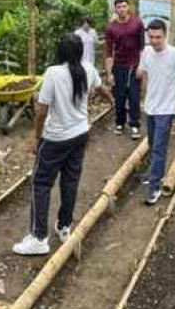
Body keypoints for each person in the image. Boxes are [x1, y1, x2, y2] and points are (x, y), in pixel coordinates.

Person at [13, 34, 110, 256]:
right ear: (80, 51)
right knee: (70, 180)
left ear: (61, 52)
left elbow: (42, 110)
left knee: (41, 183)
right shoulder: (88, 69)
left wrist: (36, 138)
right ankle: (64, 226)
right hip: (80, 134)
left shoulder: (53, 73)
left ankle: (39, 237)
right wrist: (111, 100)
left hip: (56, 139)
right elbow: (101, 88)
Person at [137, 18, 175, 206]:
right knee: (152, 143)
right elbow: (143, 73)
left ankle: (154, 187)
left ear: (165, 35)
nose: (154, 41)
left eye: (158, 37)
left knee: (159, 148)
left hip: (167, 109)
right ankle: (153, 173)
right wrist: (143, 94)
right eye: (151, 37)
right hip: (150, 107)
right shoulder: (146, 52)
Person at [104, 0, 145, 139]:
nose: (121, 9)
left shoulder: (137, 23)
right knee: (119, 97)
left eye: (124, 6)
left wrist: (141, 67)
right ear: (115, 9)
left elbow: (142, 48)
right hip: (119, 66)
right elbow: (109, 52)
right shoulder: (111, 28)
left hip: (134, 66)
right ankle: (119, 122)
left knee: (134, 97)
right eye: (118, 7)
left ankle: (134, 125)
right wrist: (109, 74)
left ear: (128, 7)